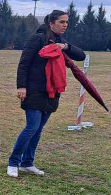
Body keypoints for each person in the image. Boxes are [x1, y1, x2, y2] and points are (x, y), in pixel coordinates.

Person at [8, 11, 86, 178]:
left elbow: (81, 55)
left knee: (38, 129)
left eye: (66, 22)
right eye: (61, 22)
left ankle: (27, 163)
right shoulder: (37, 39)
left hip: (52, 92)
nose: (65, 25)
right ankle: (13, 162)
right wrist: (21, 86)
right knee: (32, 127)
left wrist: (65, 47)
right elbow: (24, 64)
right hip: (34, 90)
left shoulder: (60, 41)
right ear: (51, 23)